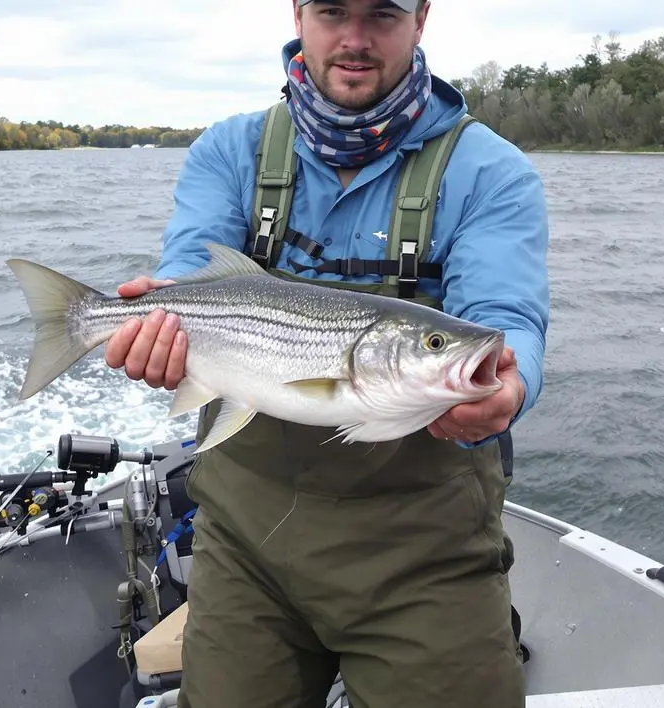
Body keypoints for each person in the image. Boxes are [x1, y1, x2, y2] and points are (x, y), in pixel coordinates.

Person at [105, 0, 549, 705]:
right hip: (243, 547)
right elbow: (189, 271)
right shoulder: (229, 151)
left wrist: (508, 386)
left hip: (424, 559)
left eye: (381, 13)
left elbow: (503, 318)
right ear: (297, 12)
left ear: (422, 16)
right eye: (333, 10)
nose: (354, 38)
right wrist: (157, 325)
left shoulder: (492, 172)